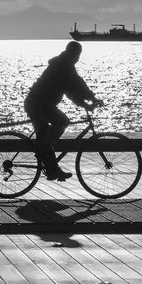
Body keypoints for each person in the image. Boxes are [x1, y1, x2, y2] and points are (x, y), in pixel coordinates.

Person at [24, 40, 102, 181]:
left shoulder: (65, 64)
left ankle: (53, 170)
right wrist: (88, 102)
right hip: (39, 105)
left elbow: (77, 85)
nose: (78, 58)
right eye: (78, 55)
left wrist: (90, 98)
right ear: (72, 53)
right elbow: (72, 89)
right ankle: (47, 158)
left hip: (39, 104)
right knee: (62, 122)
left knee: (45, 140)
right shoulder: (63, 66)